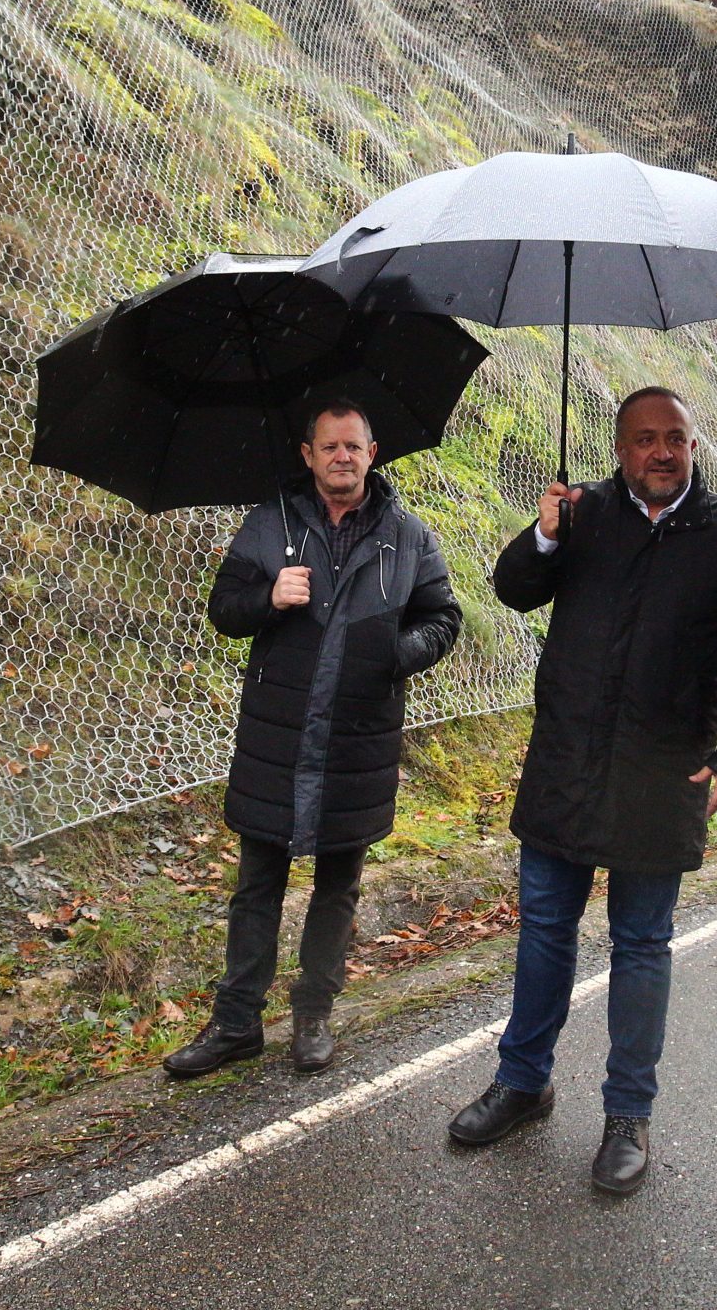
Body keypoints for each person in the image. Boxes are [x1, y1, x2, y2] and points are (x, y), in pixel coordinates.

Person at [445, 386, 717, 1195]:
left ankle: (628, 1114)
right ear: (619, 448)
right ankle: (522, 1083)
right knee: (544, 934)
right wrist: (544, 534)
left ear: (694, 446)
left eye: (675, 438)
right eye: (643, 439)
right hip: (566, 761)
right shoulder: (585, 513)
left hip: (660, 772)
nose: (661, 452)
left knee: (640, 946)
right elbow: (513, 589)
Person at [164, 399, 461, 1079]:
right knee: (256, 884)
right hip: (280, 736)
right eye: (329, 447)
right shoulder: (269, 526)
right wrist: (269, 595)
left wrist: (397, 651)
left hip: (359, 739)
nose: (342, 458)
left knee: (338, 885)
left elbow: (443, 618)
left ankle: (313, 1017)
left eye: (353, 446)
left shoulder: (407, 536)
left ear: (373, 452)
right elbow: (224, 612)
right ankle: (237, 1023)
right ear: (307, 455)